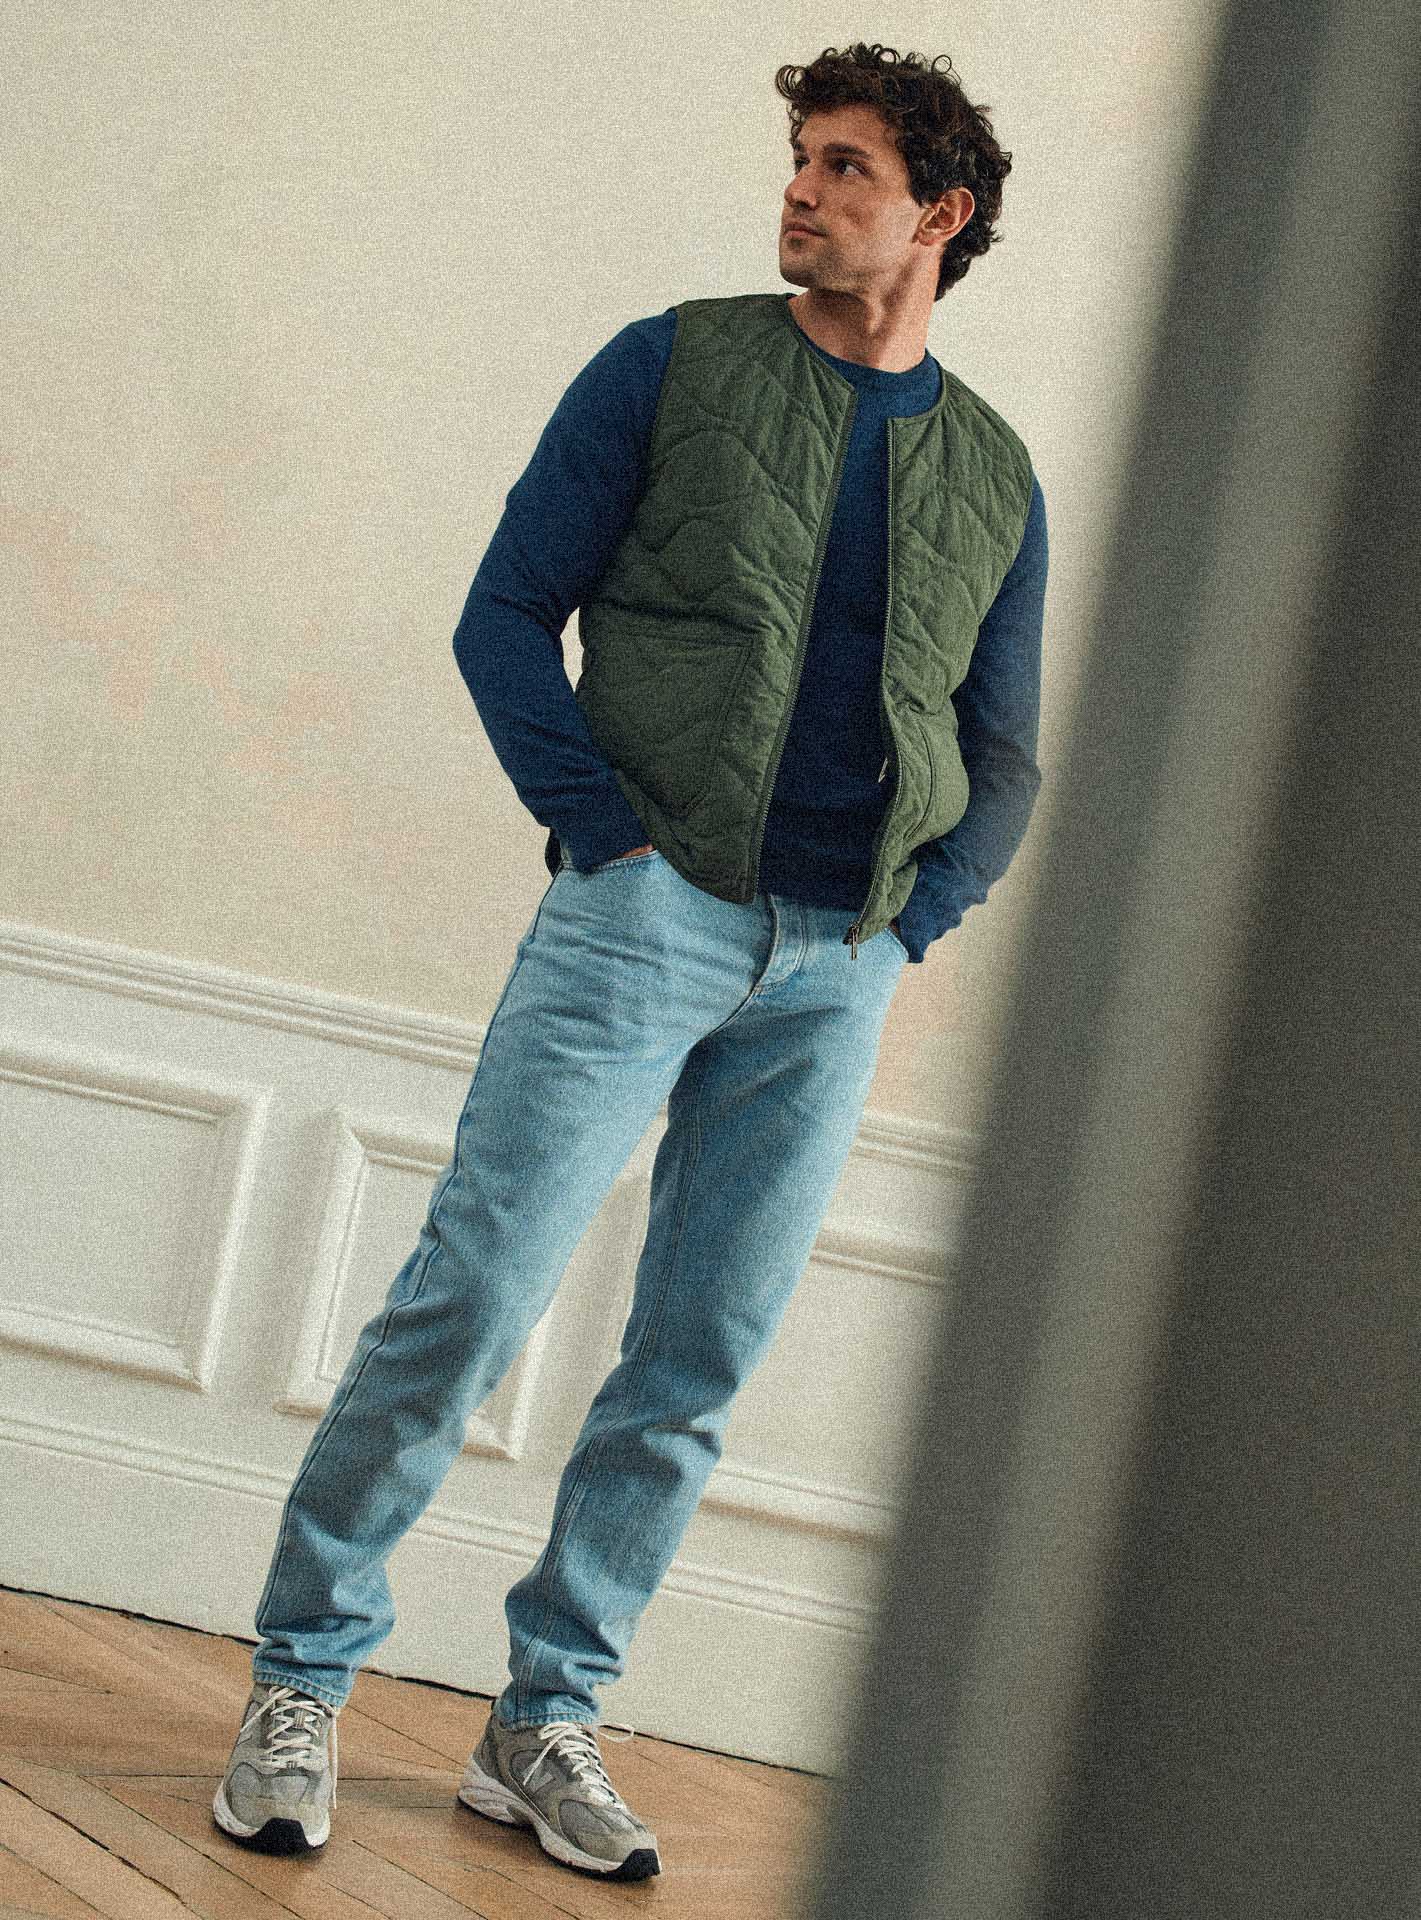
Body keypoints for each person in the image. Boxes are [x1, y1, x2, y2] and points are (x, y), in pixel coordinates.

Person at [212, 39, 1049, 1884]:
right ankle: (300, 1680)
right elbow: (506, 613)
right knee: (471, 1298)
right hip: (639, 917)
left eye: (845, 165)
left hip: (835, 964)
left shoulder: (992, 472)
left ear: (939, 212)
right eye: (800, 155)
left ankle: (546, 1719)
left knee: (694, 1364)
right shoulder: (671, 363)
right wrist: (605, 837)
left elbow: (1002, 748)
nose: (801, 188)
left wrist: (911, 924)